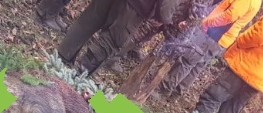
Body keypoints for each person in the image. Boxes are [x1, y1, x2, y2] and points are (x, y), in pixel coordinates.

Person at [56, 0, 187, 76]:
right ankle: (78, 74)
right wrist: (168, 21)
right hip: (135, 6)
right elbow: (166, 8)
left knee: (90, 19)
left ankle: (61, 55)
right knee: (112, 40)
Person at [159, 0, 263, 96]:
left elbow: (230, 16)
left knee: (187, 60)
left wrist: (207, 23)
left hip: (215, 34)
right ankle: (176, 92)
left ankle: (164, 88)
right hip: (221, 38)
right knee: (198, 65)